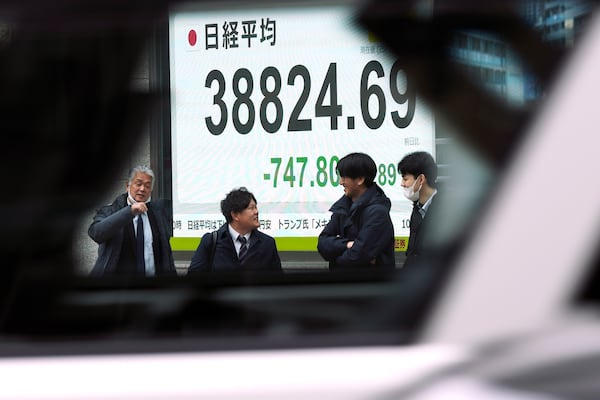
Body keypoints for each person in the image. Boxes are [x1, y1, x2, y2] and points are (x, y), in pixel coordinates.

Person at [88, 166, 177, 276]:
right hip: (118, 289)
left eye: (147, 186)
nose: (142, 189)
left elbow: (167, 257)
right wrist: (129, 211)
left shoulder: (158, 214)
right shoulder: (111, 210)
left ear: (151, 190)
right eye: (138, 184)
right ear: (128, 186)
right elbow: (96, 233)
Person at [317, 152, 395, 269]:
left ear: (360, 179)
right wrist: (347, 245)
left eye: (344, 177)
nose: (340, 182)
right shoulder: (342, 208)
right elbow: (322, 243)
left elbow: (357, 256)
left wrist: (335, 259)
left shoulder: (377, 212)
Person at [188, 187, 282, 273]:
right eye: (251, 208)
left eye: (256, 207)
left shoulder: (267, 243)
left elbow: (278, 285)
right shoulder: (211, 241)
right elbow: (193, 279)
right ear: (235, 215)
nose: (256, 212)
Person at [397, 151, 438, 268]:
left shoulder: (447, 210)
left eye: (405, 179)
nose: (402, 184)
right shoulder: (417, 209)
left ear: (421, 179)